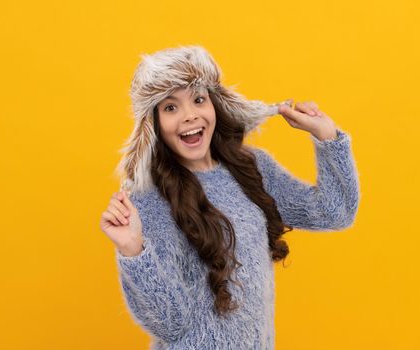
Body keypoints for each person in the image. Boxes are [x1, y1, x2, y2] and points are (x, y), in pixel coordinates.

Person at [100, 45, 360, 349]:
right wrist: (133, 251)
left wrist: (327, 138)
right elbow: (169, 323)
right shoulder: (150, 200)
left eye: (198, 99)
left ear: (215, 103)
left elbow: (334, 212)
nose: (189, 116)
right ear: (153, 124)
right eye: (170, 107)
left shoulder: (252, 168)